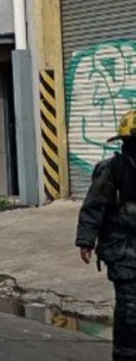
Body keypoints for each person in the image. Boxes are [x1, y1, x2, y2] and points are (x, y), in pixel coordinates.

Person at [76, 109, 136, 360]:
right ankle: (126, 355)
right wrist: (86, 240)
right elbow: (94, 205)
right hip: (122, 251)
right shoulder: (112, 170)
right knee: (130, 307)